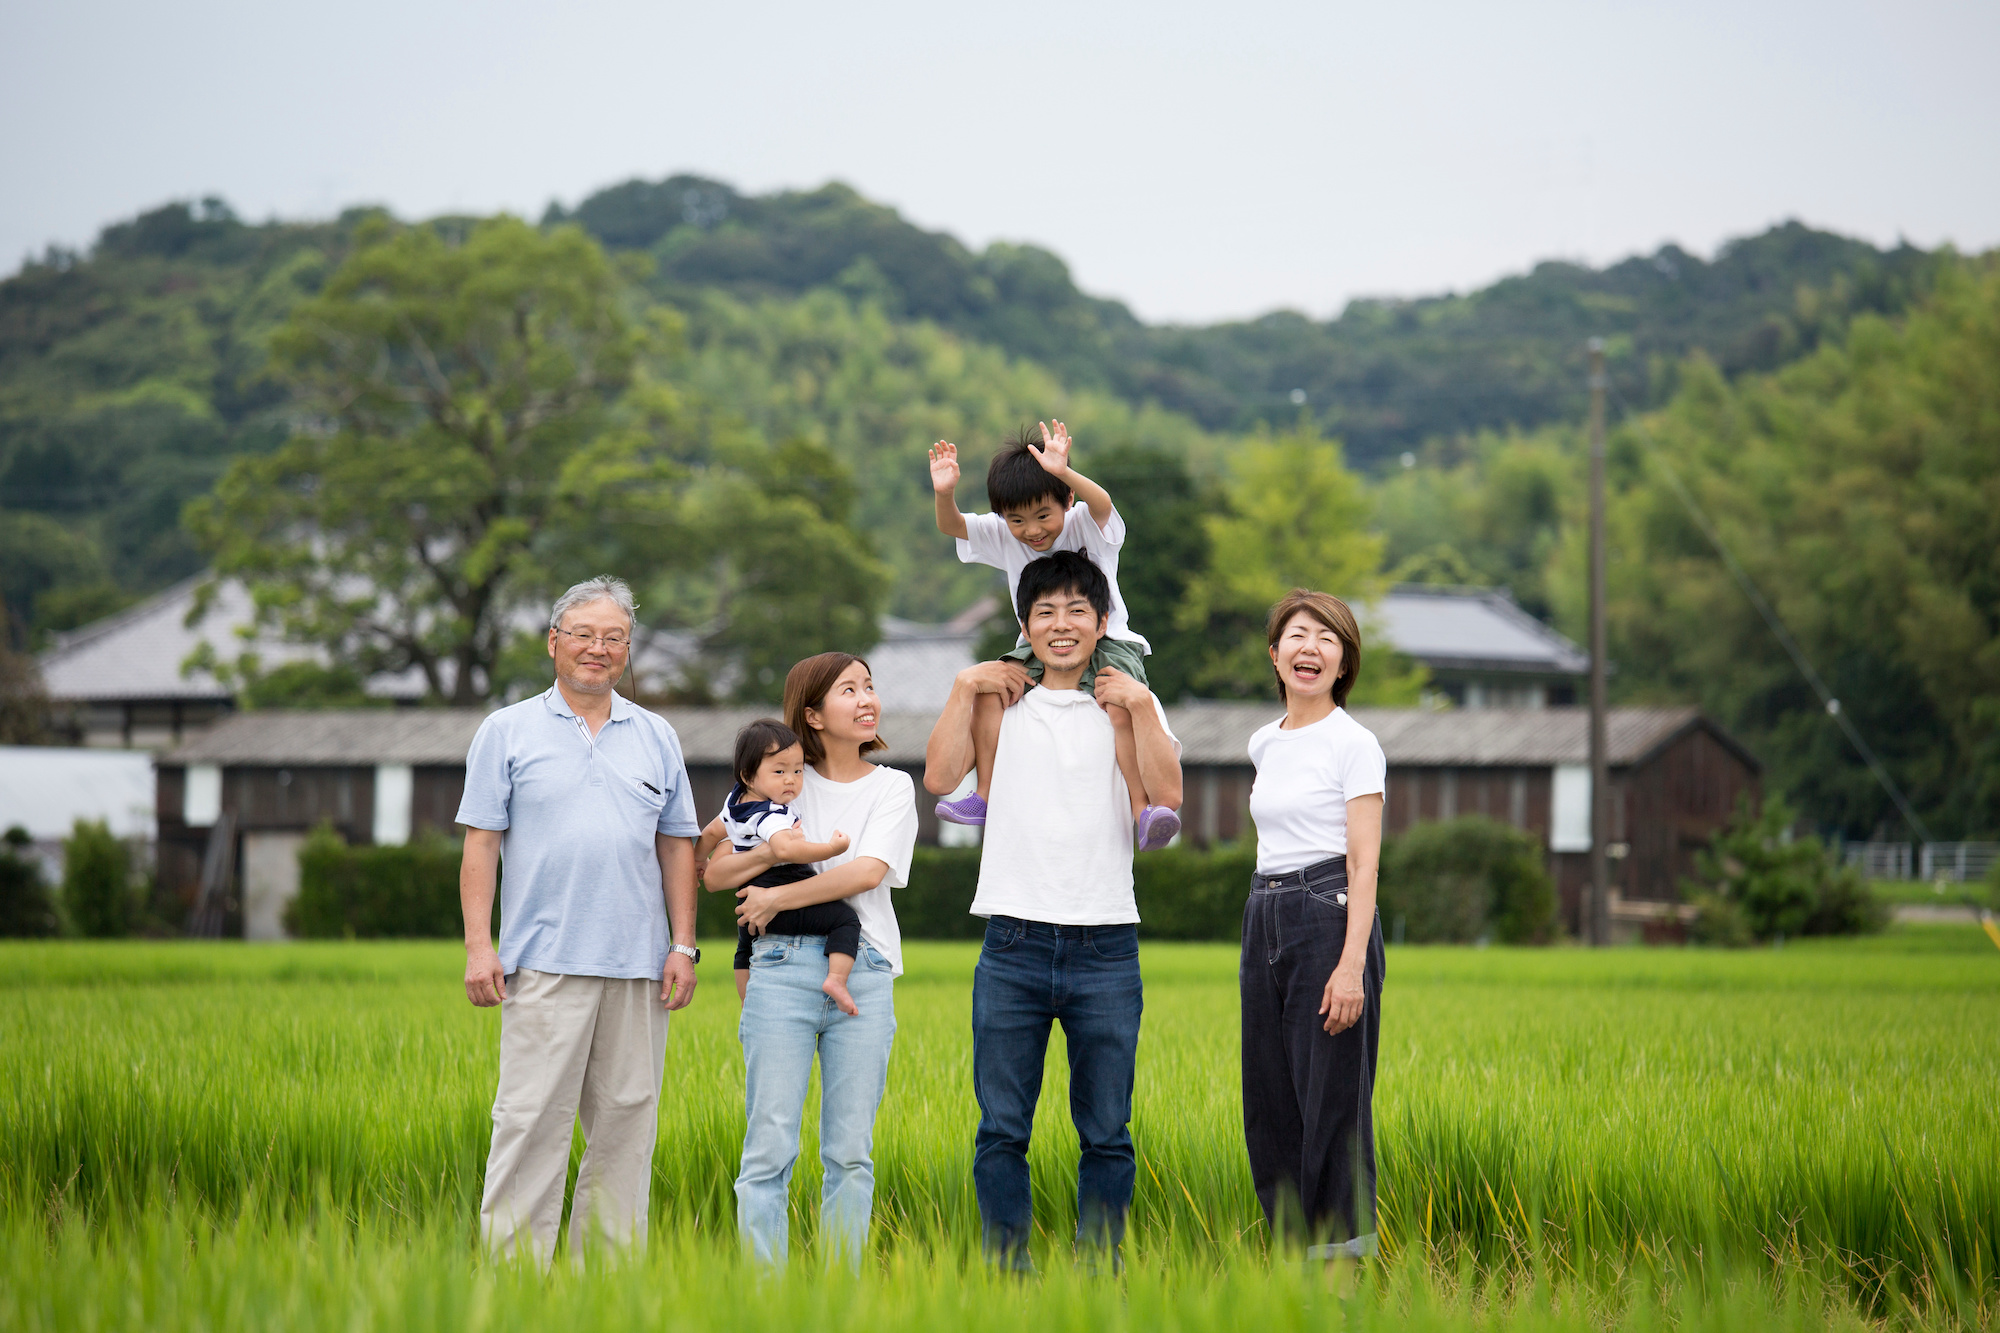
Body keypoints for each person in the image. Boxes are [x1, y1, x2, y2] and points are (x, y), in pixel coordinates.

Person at [923, 550, 1184, 1272]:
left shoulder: (1130, 697)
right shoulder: (998, 699)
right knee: (1002, 1127)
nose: (1061, 624)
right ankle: (1008, 1274)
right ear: (1025, 625)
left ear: (1101, 623)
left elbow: (1169, 796)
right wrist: (964, 681)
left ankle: (1098, 1269)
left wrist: (1136, 706)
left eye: (1076, 610)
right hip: (1012, 941)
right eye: (1045, 611)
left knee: (1107, 1130)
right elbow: (941, 776)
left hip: (1106, 943)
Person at [456, 575, 703, 1265]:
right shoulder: (506, 730)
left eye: (613, 638)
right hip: (544, 962)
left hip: (640, 966)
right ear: (553, 642)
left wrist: (683, 943)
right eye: (584, 635)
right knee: (530, 1122)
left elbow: (677, 844)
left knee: (628, 1126)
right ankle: (512, 1282)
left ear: (628, 650)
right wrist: (481, 946)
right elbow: (481, 843)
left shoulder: (656, 734)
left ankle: (607, 1282)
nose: (598, 649)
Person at [701, 653, 919, 1268]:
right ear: (813, 714)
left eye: (870, 686)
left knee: (850, 1151)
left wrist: (776, 891)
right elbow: (714, 874)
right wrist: (765, 862)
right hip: (780, 966)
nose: (867, 698)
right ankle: (764, 1291)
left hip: (864, 967)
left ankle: (838, 1289)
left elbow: (866, 871)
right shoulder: (780, 781)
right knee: (768, 1146)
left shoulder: (892, 786)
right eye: (849, 689)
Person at [928, 420, 1180, 849]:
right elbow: (953, 527)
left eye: (1044, 515)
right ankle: (982, 794)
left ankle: (1143, 810)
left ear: (1066, 500)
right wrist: (944, 493)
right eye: (1018, 520)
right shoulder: (1003, 531)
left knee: (1118, 707)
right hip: (1034, 646)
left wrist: (1063, 471)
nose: (1032, 530)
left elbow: (1102, 503)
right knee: (992, 693)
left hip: (1110, 642)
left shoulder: (1084, 523)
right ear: (1003, 515)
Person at [1239, 589, 1388, 1263]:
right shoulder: (1263, 742)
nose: (1312, 648)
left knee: (1332, 1094)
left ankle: (1345, 1258)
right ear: (1276, 655)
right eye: (1299, 635)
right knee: (1270, 1090)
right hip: (1263, 910)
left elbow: (1364, 860)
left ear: (1343, 662)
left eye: (1328, 639)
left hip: (1328, 915)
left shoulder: (1354, 743)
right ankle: (1291, 1248)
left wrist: (1352, 963)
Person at [694, 718, 860, 1014]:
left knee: (745, 947)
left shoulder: (735, 804)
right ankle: (837, 979)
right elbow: (786, 849)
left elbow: (709, 834)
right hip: (781, 891)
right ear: (749, 775)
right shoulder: (770, 814)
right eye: (779, 771)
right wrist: (832, 848)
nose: (791, 780)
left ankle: (747, 1003)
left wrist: (698, 861)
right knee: (844, 919)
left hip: (749, 895)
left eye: (798, 771)